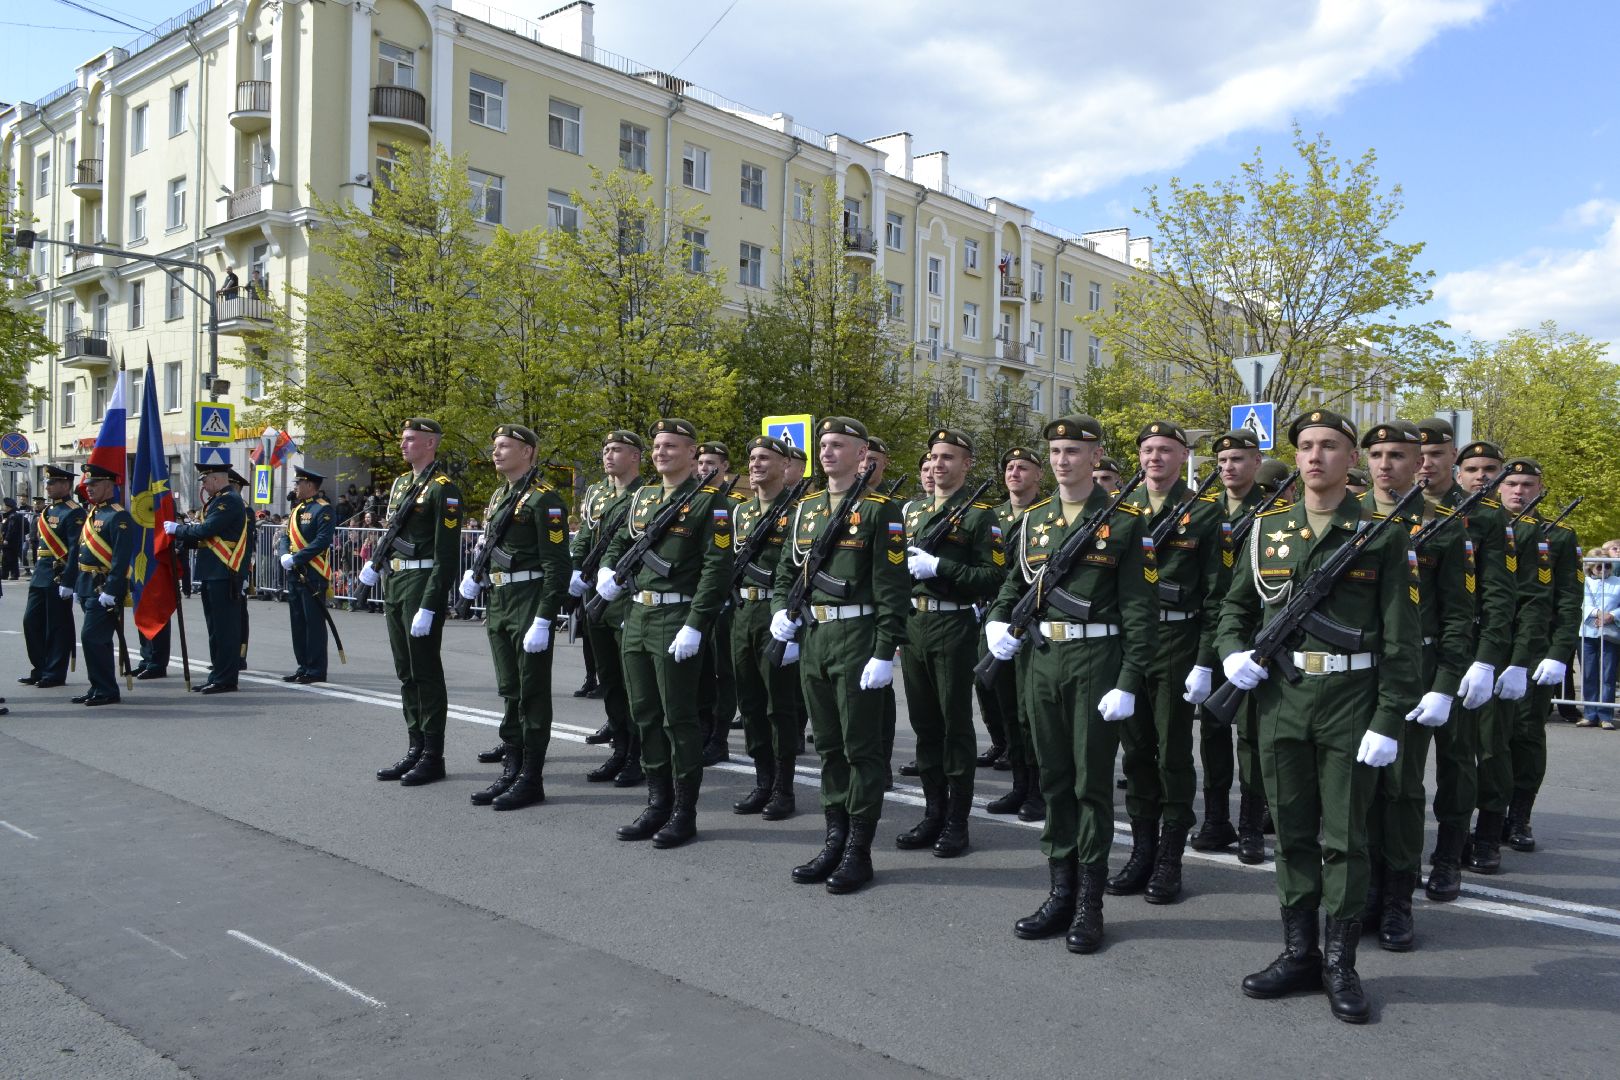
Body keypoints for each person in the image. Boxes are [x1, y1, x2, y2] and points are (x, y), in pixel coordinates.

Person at [1216, 409, 1420, 1024]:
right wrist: (1230, 656)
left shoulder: (1382, 534)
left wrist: (1389, 719)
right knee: (1293, 833)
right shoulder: (1266, 531)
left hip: (1351, 702)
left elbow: (1402, 639)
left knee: (1347, 839)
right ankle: (1298, 953)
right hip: (1281, 699)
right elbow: (1231, 610)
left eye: (1329, 446)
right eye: (1305, 446)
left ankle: (1341, 962)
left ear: (1350, 459)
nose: (1314, 457)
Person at [986, 414, 1157, 953]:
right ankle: (1059, 891)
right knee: (1054, 780)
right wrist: (996, 620)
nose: (1062, 460)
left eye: (1073, 452)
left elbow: (1140, 610)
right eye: (1055, 451)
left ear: (1095, 455)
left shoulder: (1126, 522)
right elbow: (1013, 583)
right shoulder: (1034, 520)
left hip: (1095, 660)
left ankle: (1089, 902)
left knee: (1091, 787)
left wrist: (1128, 679)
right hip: (1041, 660)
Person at [772, 417, 909, 893]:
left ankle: (858, 849)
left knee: (861, 750)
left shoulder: (880, 512)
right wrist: (780, 615)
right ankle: (834, 837)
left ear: (862, 454)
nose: (828, 452)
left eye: (839, 445)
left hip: (857, 636)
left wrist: (883, 651)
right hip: (815, 639)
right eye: (824, 445)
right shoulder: (805, 508)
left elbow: (893, 592)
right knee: (829, 746)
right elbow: (783, 573)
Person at [1357, 420, 1472, 952]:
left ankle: (1398, 896)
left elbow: (1457, 615)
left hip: (1414, 674)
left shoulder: (1445, 527)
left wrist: (1445, 685)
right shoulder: (1347, 519)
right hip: (1353, 673)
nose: (1387, 464)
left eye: (1398, 455)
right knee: (1356, 790)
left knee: (1400, 788)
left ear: (1418, 463)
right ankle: (1364, 889)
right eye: (1377, 454)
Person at [598, 418, 734, 848]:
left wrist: (697, 624)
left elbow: (716, 570)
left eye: (672, 446)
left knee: (679, 718)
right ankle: (657, 802)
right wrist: (607, 569)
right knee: (645, 715)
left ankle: (683, 811)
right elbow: (620, 541)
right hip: (637, 616)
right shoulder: (644, 498)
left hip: (677, 619)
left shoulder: (711, 502)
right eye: (657, 446)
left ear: (692, 453)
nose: (661, 453)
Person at [1112, 421, 1225, 905]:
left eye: (1165, 450)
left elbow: (1218, 596)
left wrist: (1204, 661)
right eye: (1148, 450)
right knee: (1135, 751)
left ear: (1184, 458)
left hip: (1178, 638)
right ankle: (1141, 849)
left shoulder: (1204, 513)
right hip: (1129, 641)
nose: (1154, 458)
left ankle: (1169, 858)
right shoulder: (1120, 510)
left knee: (1173, 752)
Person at [1414, 424, 1517, 901]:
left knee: (1457, 759)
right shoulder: (1393, 508)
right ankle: (1398, 855)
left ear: (1449, 457)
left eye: (1435, 453)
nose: (1425, 462)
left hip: (1460, 652)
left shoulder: (1487, 517)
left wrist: (1489, 659)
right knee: (1398, 767)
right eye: (1419, 453)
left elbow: (1500, 595)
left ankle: (1449, 855)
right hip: (1405, 653)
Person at [895, 429, 1003, 859]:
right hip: (915, 623)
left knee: (955, 727)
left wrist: (940, 565)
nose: (939, 464)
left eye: (949, 457)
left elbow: (993, 577)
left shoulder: (980, 516)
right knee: (925, 727)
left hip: (954, 625)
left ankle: (957, 822)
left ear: (966, 464)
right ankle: (932, 812)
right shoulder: (914, 510)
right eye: (934, 456)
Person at [457, 424, 570, 811]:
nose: (496, 452)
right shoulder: (501, 495)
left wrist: (544, 617)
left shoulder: (544, 500)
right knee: (510, 689)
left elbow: (557, 565)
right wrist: (475, 576)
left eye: (505, 446)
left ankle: (530, 778)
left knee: (532, 692)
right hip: (501, 598)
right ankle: (511, 768)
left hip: (529, 598)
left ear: (528, 452)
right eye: (495, 446)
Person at [361, 419, 463, 786]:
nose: (403, 445)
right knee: (405, 670)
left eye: (410, 440)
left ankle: (433, 755)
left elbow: (447, 555)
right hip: (397, 580)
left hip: (422, 581)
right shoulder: (403, 484)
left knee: (425, 670)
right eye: (403, 439)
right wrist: (375, 565)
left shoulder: (443, 490)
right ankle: (414, 746)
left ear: (431, 443)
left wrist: (431, 603)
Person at [1193, 428, 1270, 862]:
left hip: (1256, 632)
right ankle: (1216, 818)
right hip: (1213, 631)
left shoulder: (1276, 511)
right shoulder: (1204, 511)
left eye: (1237, 460)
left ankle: (1252, 826)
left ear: (1256, 462)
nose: (1228, 468)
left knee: (1253, 737)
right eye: (1222, 462)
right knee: (1213, 729)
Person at [1499, 458, 1579, 856]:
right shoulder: (1481, 528)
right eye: (1511, 483)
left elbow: (1568, 601)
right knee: (1484, 739)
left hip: (1534, 651)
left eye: (1527, 484)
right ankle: (1487, 814)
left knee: (1526, 733)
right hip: (1489, 646)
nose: (1518, 491)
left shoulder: (1559, 536)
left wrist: (1560, 653)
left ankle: (1519, 815)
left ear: (1540, 488)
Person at [729, 435, 803, 819]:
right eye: (752, 458)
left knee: (780, 706)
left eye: (764, 458)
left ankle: (784, 789)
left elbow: (801, 570)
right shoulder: (741, 512)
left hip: (778, 616)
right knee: (752, 704)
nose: (755, 465)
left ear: (785, 465)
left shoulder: (799, 511)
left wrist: (794, 619)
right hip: (744, 613)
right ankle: (762, 780)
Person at [567, 430, 648, 785]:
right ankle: (620, 746)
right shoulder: (598, 492)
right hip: (596, 596)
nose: (608, 455)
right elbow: (588, 531)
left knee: (634, 683)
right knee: (610, 680)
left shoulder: (646, 496)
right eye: (605, 450)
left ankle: (638, 754)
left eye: (617, 450)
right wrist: (575, 564)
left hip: (626, 597)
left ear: (635, 457)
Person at [978, 446, 1046, 819]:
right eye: (1009, 466)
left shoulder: (1046, 516)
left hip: (1034, 621)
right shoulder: (993, 515)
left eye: (1023, 467)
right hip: (998, 619)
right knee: (1008, 709)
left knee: (1031, 714)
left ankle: (1039, 789)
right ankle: (1020, 786)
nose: (1014, 472)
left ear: (1039, 475)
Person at [164, 461, 248, 694]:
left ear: (217, 479)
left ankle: (226, 678)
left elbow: (206, 530)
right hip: (213, 572)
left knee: (225, 629)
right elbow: (204, 536)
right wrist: (181, 538)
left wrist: (177, 530)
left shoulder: (229, 501)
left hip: (224, 571)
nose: (203, 484)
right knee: (215, 628)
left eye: (205, 480)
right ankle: (218, 674)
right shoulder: (217, 501)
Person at [62, 463, 135, 706]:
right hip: (87, 584)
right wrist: (71, 583)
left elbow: (121, 557)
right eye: (87, 485)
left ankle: (106, 689)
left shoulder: (118, 515)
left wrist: (113, 590)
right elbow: (80, 551)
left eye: (93, 485)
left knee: (92, 638)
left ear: (108, 485)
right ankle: (99, 687)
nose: (88, 489)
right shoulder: (94, 513)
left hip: (103, 587)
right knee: (98, 641)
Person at [19, 464, 84, 689]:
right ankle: (40, 667)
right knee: (31, 622)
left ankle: (54, 672)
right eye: (47, 482)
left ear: (65, 485)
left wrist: (69, 580)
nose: (47, 486)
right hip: (41, 573)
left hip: (58, 573)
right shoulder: (48, 511)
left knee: (56, 626)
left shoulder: (74, 511)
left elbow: (75, 548)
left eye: (51, 482)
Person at [695, 440, 740, 766]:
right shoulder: (691, 500)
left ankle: (719, 736)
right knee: (700, 670)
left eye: (711, 462)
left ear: (724, 467)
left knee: (723, 671)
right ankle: (702, 728)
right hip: (696, 595)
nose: (703, 468)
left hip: (725, 598)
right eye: (700, 462)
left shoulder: (735, 504)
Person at [279, 467, 334, 684]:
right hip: (295, 573)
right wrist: (284, 555)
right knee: (298, 622)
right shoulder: (296, 509)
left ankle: (316, 669)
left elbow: (322, 541)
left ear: (309, 485)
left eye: (298, 484)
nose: (295, 487)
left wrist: (297, 558)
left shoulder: (324, 510)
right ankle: (303, 666)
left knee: (314, 624)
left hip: (313, 573)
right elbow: (285, 536)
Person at [1579, 549, 1620, 729]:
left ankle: (1606, 715)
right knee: (1589, 675)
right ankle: (1590, 714)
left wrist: (1612, 615)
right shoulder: (1584, 582)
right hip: (1588, 633)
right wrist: (1597, 613)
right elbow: (1582, 602)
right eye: (1599, 566)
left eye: (1607, 566)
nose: (1603, 570)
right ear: (1590, 567)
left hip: (1610, 633)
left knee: (1607, 675)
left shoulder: (1618, 582)